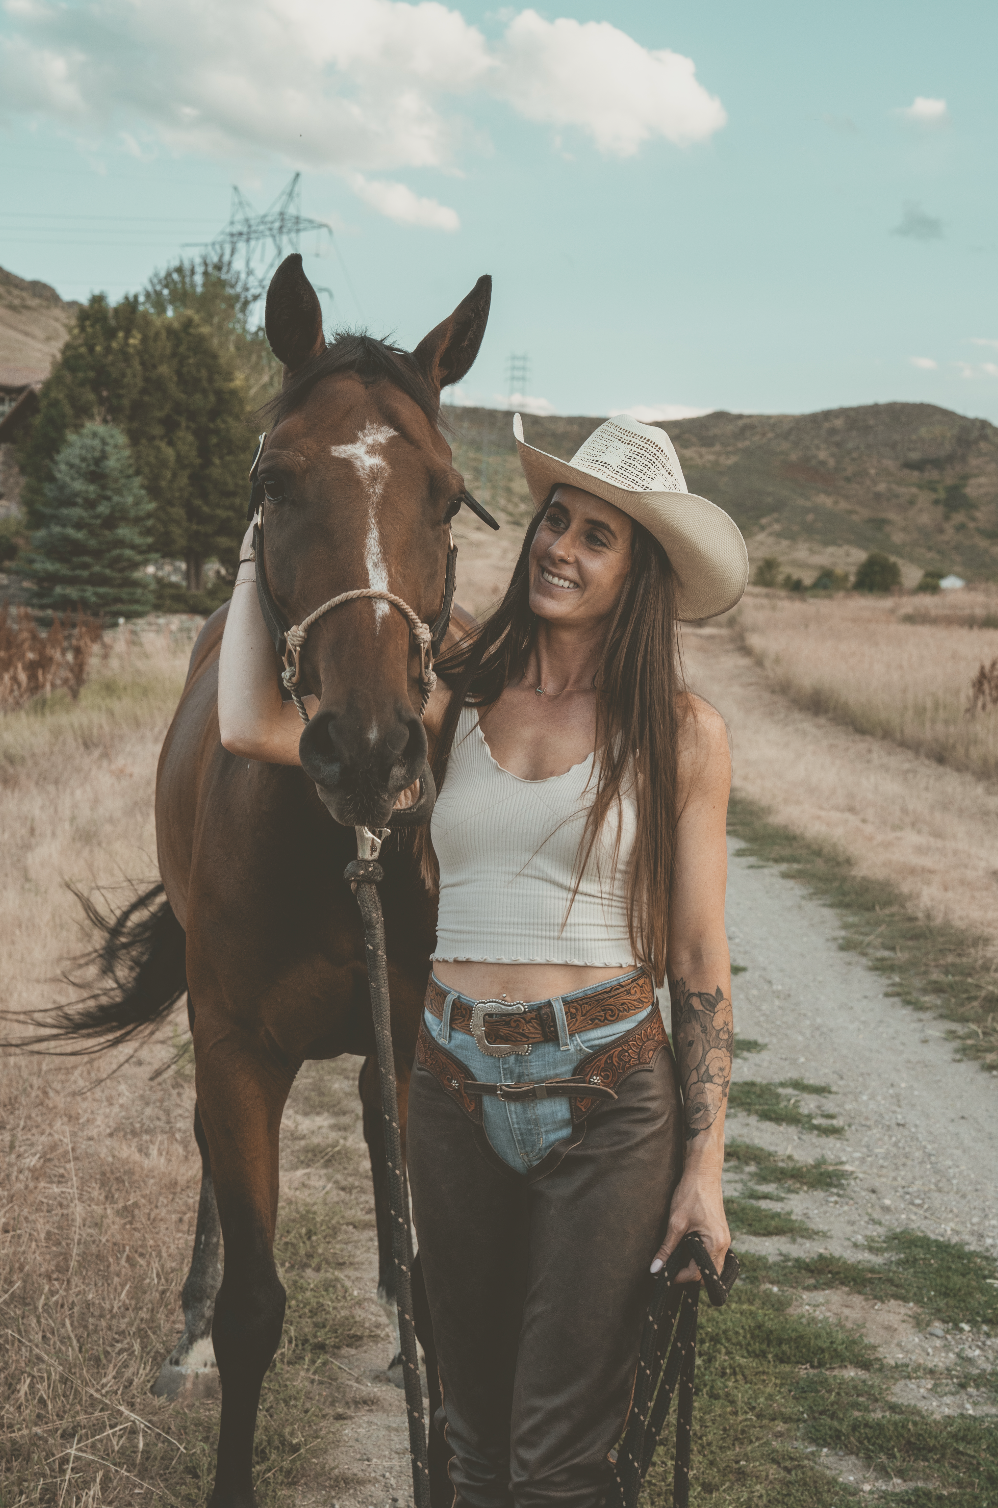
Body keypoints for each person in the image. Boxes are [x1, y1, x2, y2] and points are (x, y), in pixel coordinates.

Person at [218, 411, 748, 1508]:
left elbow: (698, 956)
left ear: (636, 569)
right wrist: (250, 543)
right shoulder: (455, 691)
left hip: (611, 1093)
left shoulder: (680, 730)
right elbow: (243, 722)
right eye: (554, 518)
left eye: (596, 535)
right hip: (450, 1087)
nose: (558, 545)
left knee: (557, 1460)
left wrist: (703, 1167)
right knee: (464, 1441)